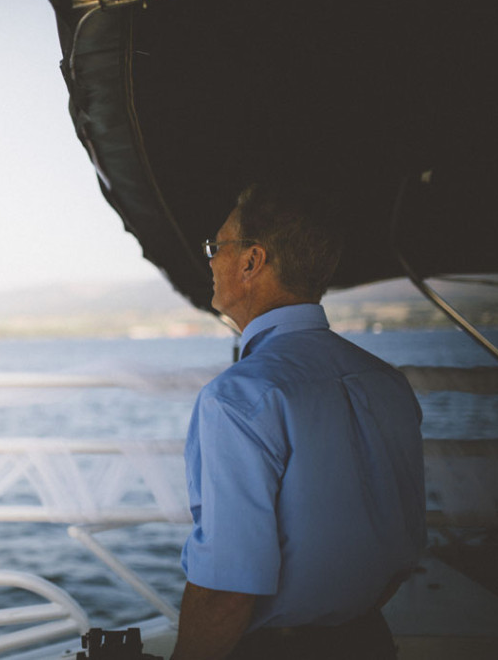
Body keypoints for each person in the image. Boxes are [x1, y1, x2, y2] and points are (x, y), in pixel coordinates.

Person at [170, 183, 426, 660]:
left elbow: (225, 594)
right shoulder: (387, 382)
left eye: (215, 247)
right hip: (370, 641)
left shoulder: (237, 398)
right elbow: (401, 552)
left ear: (251, 262)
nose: (209, 260)